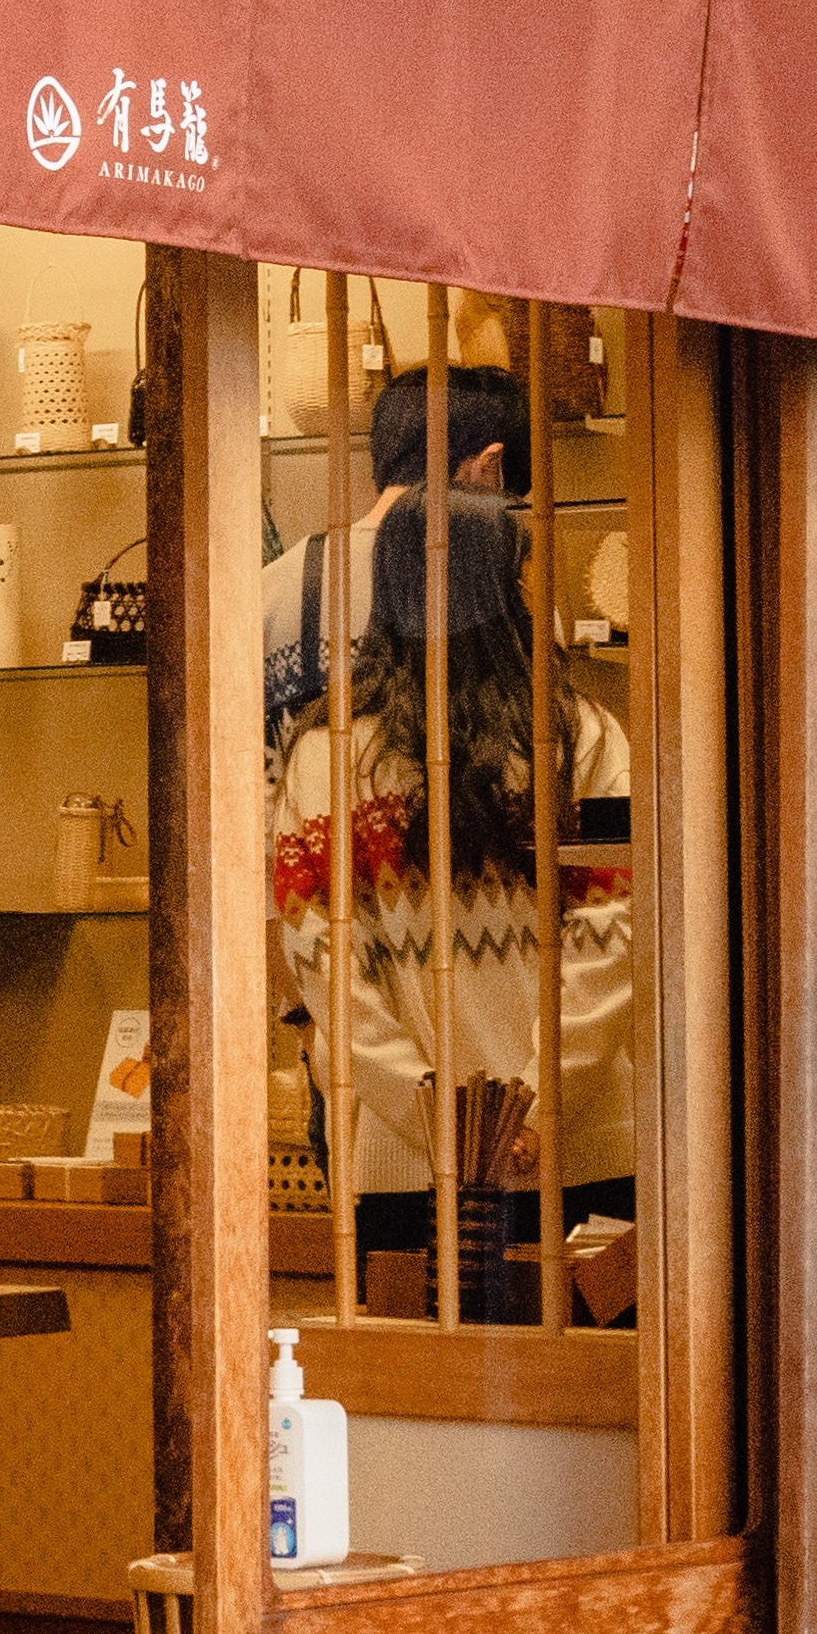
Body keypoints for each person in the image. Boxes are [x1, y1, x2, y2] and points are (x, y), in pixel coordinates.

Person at [263, 363, 632, 1318]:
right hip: (581, 1160)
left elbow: (324, 970)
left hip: (391, 1169)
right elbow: (618, 940)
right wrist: (538, 1111)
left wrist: (435, 1112)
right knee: (577, 1419)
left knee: (401, 1426)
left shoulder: (323, 760)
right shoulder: (581, 739)